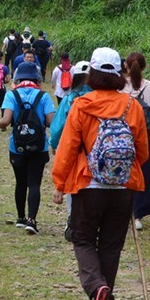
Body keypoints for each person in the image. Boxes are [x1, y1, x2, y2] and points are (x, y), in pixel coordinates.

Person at [51, 47, 149, 300]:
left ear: (92, 73)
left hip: (88, 185)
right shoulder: (133, 106)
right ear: (119, 73)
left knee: (82, 238)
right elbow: (142, 152)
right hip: (124, 187)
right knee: (111, 244)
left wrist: (59, 183)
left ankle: (97, 288)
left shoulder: (82, 105)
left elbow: (68, 148)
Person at [0, 61, 55, 235]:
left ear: (18, 78)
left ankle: (20, 217)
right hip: (38, 147)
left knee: (20, 182)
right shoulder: (44, 96)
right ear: (36, 78)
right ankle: (32, 220)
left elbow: (6, 120)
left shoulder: (11, 95)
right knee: (34, 184)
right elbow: (51, 121)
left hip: (17, 147)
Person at [49, 60, 91, 241]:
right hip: (94, 150)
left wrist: (53, 143)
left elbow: (58, 127)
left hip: (73, 148)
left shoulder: (69, 99)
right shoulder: (101, 97)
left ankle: (72, 219)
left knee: (73, 184)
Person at [122, 52, 150, 230]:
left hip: (124, 137)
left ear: (126, 66)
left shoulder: (120, 87)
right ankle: (140, 214)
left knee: (125, 173)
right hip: (146, 137)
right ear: (144, 67)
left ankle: (126, 212)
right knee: (146, 174)